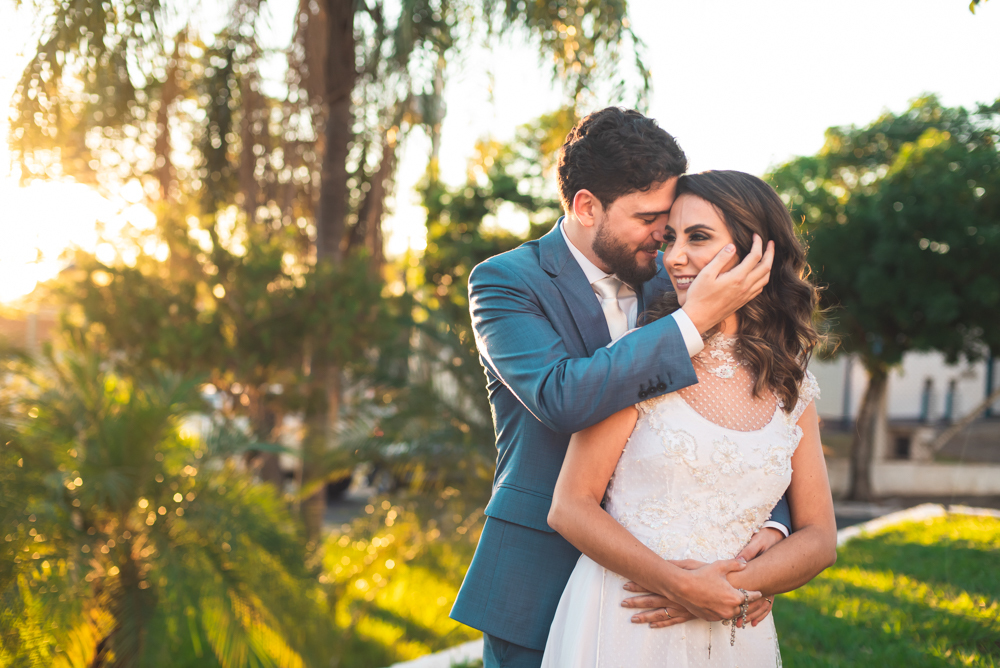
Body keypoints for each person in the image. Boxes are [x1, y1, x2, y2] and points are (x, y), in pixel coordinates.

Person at [450, 108, 788, 668]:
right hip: (540, 573)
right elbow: (561, 398)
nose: (666, 236)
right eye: (651, 217)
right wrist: (689, 322)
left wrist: (770, 529)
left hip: (680, 584)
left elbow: (737, 403)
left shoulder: (672, 275)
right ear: (587, 206)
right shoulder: (505, 282)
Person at [541, 170, 838, 667]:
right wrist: (679, 585)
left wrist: (730, 589)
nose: (674, 257)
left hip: (732, 628)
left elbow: (819, 537)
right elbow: (570, 507)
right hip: (628, 620)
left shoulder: (792, 384)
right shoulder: (638, 359)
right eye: (671, 238)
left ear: (756, 252)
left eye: (698, 238)